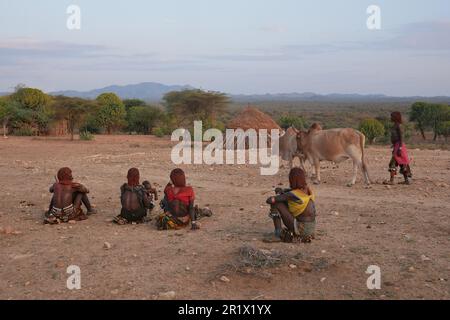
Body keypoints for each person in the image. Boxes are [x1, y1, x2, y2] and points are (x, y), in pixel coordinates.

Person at [265, 168, 316, 243]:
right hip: (310, 229)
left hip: (301, 229)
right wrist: (283, 191)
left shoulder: (291, 195)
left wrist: (279, 194)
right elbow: (291, 192)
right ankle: (304, 235)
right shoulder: (307, 189)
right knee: (284, 202)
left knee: (276, 204)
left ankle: (278, 234)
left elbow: (270, 200)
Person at [387, 112, 412, 185]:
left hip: (399, 145)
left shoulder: (399, 126)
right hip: (396, 145)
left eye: (392, 117)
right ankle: (407, 180)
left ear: (395, 117)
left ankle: (391, 180)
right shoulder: (395, 126)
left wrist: (400, 148)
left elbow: (401, 137)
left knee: (393, 162)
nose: (390, 118)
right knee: (402, 163)